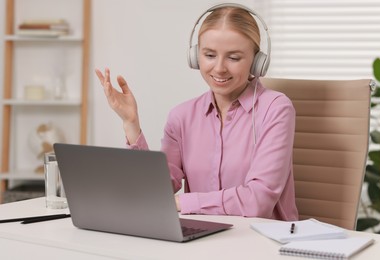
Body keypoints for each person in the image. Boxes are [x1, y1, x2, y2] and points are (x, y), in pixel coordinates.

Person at [95, 3, 298, 220]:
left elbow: (257, 201)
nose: (219, 68)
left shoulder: (276, 109)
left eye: (234, 57)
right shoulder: (182, 116)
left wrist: (182, 202)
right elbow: (155, 192)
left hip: (260, 242)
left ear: (257, 62)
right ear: (195, 56)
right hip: (202, 239)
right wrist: (131, 123)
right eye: (210, 55)